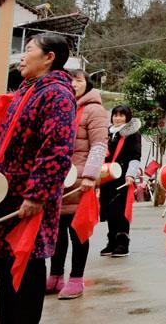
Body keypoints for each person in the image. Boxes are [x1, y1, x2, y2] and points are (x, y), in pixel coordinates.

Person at [0, 33, 76, 324]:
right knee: (5, 266)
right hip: (8, 198)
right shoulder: (29, 90)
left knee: (25, 267)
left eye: (28, 50)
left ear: (49, 57)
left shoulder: (58, 95)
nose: (22, 56)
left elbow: (57, 150)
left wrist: (36, 195)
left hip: (29, 202)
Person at [46, 69, 108, 299]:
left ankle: (76, 279)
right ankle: (55, 276)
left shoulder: (94, 110)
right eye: (70, 79)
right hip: (58, 181)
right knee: (56, 232)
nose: (73, 84)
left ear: (88, 85)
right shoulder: (61, 106)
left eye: (79, 80)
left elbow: (99, 145)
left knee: (78, 231)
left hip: (81, 182)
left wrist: (90, 176)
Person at [98, 104, 141, 257]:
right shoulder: (108, 133)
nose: (118, 118)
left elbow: (135, 157)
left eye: (121, 115)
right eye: (115, 115)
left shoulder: (132, 134)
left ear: (127, 117)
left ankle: (123, 242)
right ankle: (111, 241)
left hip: (122, 178)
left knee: (120, 211)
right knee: (109, 211)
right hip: (108, 177)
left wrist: (131, 175)